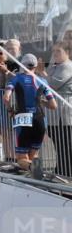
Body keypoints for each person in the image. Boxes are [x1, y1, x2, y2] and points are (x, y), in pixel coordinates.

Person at [4, 54, 57, 172]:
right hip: (39, 120)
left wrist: (10, 110)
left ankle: (34, 170)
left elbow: (6, 98)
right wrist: (42, 102)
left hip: (23, 119)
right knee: (34, 155)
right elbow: (53, 105)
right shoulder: (42, 81)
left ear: (22, 65)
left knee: (22, 158)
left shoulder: (16, 78)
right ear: (36, 66)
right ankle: (36, 178)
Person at [46, 44, 72, 178]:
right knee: (59, 143)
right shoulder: (55, 67)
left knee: (65, 142)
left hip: (65, 114)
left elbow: (53, 84)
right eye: (53, 51)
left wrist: (42, 73)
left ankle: (65, 171)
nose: (55, 54)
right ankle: (62, 169)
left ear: (67, 52)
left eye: (58, 51)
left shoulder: (67, 66)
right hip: (55, 115)